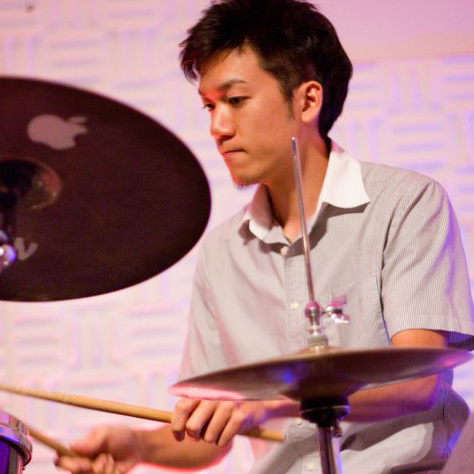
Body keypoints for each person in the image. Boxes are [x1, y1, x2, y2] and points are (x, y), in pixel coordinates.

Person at [57, 0, 474, 473]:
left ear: (308, 101)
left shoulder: (406, 202)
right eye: (209, 106)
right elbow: (211, 436)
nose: (217, 127)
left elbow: (421, 381)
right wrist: (137, 445)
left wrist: (273, 402)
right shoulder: (222, 252)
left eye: (235, 101)